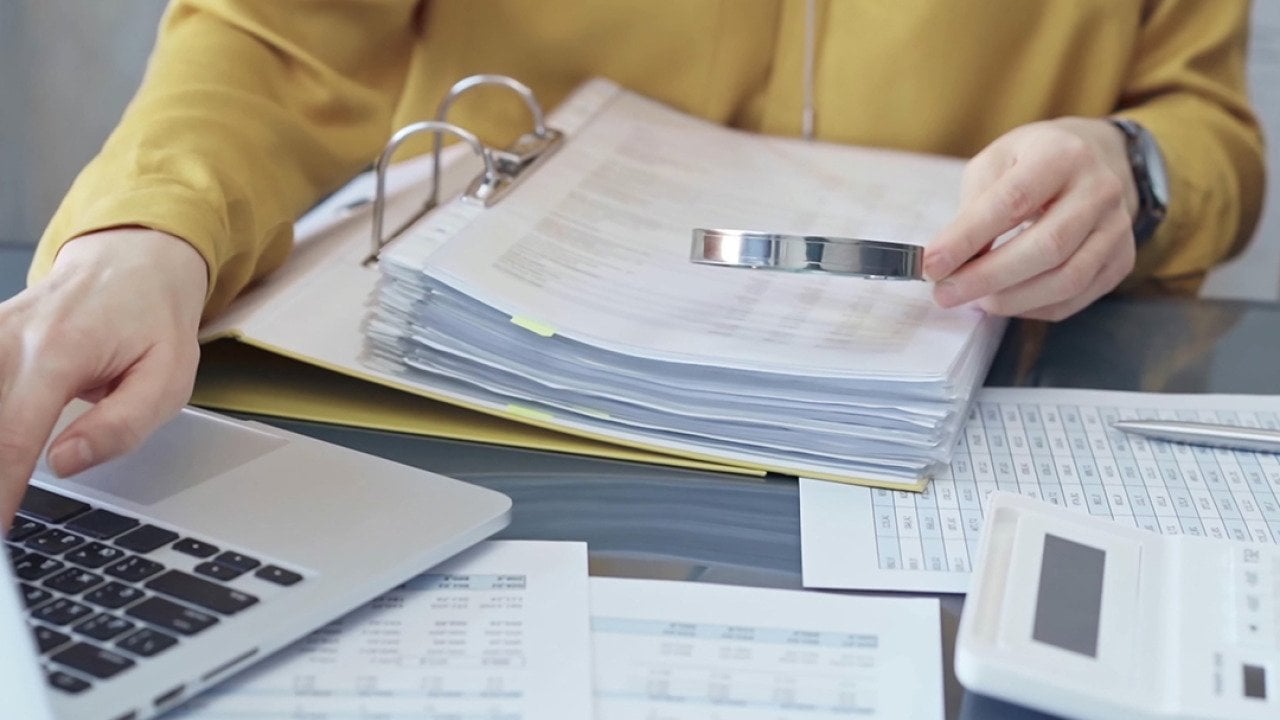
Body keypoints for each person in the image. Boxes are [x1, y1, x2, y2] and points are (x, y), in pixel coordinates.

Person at [0, 0, 1265, 527]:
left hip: (942, 455)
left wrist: (1130, 167)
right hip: (485, 425)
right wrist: (148, 232)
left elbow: (1202, 121)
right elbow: (276, 38)